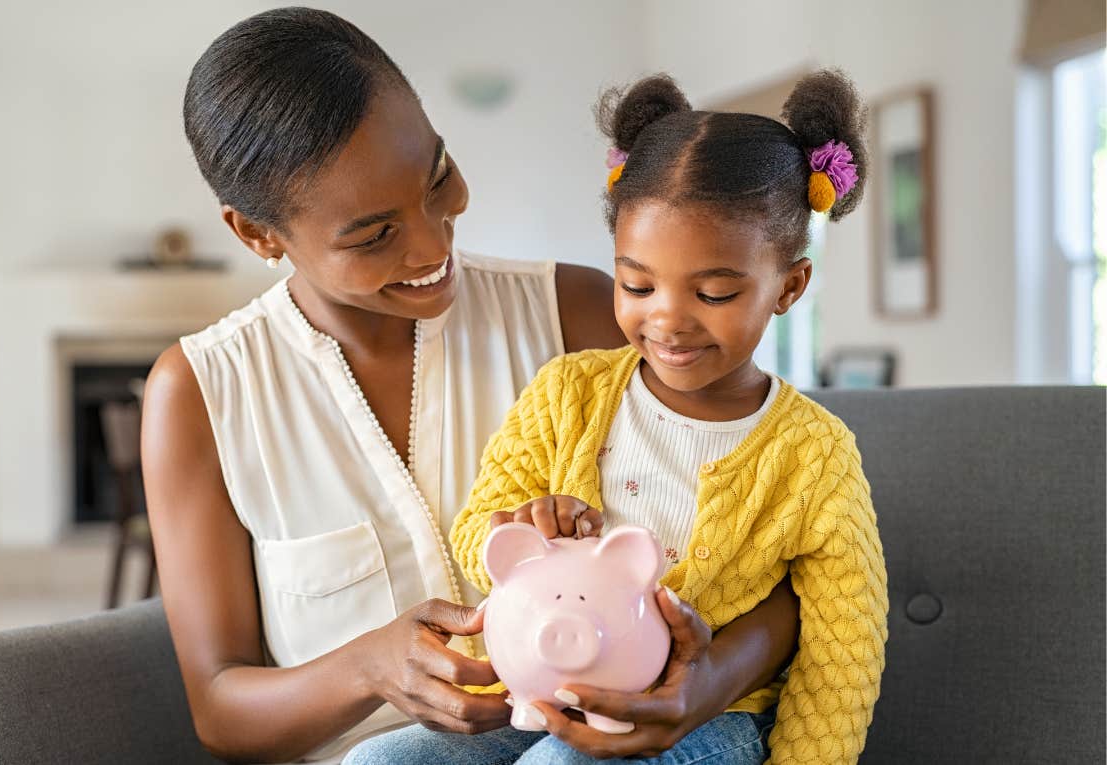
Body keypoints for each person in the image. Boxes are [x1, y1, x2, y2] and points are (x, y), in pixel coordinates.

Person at [142, 9, 802, 763]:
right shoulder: (201, 393)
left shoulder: (579, 315)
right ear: (257, 235)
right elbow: (221, 708)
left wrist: (709, 680)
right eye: (373, 234)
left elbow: (779, 543)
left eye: (438, 177)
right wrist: (368, 667)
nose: (433, 242)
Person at [351, 69, 887, 764]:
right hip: (546, 692)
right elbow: (479, 527)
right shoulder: (568, 391)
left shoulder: (815, 454)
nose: (666, 318)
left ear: (789, 286)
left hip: (710, 719)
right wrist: (519, 522)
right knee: (378, 761)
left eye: (715, 292)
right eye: (637, 283)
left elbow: (845, 648)